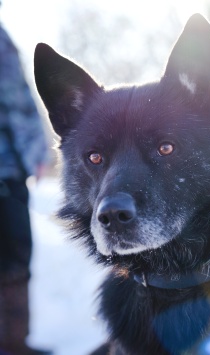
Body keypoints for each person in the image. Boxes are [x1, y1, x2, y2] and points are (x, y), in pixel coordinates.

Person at [0, 12, 52, 355]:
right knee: (14, 258)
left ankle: (14, 344)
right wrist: (36, 150)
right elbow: (15, 98)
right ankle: (14, 345)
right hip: (5, 171)